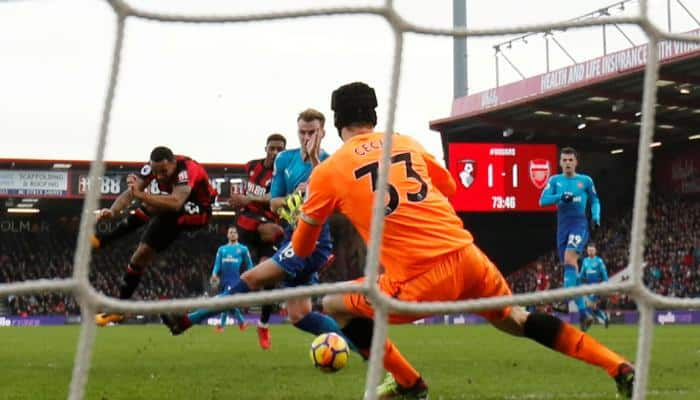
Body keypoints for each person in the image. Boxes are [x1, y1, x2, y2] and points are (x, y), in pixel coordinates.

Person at [290, 82, 634, 399]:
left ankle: (409, 382)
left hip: (418, 279)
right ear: (375, 116)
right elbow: (451, 188)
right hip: (468, 256)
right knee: (516, 319)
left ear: (336, 123)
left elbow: (303, 251)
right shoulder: (405, 142)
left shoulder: (329, 171)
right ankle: (617, 366)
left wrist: (302, 217)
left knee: (334, 303)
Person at [161, 109, 349, 345]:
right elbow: (275, 201)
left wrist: (312, 186)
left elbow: (336, 203)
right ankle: (364, 347)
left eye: (312, 132)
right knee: (299, 315)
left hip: (314, 239)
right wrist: (293, 200)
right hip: (293, 235)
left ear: (322, 132)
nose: (307, 137)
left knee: (250, 277)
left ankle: (188, 320)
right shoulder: (284, 160)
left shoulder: (331, 162)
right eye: (302, 132)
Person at [93, 146, 217, 326]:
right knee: (140, 255)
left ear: (173, 163)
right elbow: (131, 193)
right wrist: (112, 211)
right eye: (156, 172)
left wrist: (142, 195)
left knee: (153, 204)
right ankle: (119, 309)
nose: (159, 176)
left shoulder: (188, 169)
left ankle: (104, 240)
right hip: (175, 212)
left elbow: (176, 203)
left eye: (164, 171)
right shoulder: (153, 169)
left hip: (199, 211)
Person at [228, 133, 287, 348]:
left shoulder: (284, 174)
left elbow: (273, 199)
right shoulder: (251, 166)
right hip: (248, 222)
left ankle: (263, 324)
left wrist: (248, 198)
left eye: (280, 149)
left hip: (268, 226)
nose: (275, 152)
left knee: (269, 277)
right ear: (266, 148)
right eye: (272, 148)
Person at [539, 146, 601, 331]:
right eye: (564, 160)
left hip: (579, 224)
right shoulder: (555, 181)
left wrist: (596, 215)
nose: (567, 163)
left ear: (576, 162)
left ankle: (569, 301)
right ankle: (584, 314)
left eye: (570, 160)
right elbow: (542, 201)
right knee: (570, 269)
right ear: (560, 163)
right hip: (562, 227)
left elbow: (595, 200)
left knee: (569, 259)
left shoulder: (585, 181)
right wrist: (560, 197)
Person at [210, 226, 253, 332]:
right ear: (227, 235)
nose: (233, 234)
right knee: (228, 302)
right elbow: (217, 264)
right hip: (224, 280)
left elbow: (249, 264)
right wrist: (214, 273)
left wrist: (250, 276)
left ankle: (222, 325)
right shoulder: (222, 249)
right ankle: (241, 323)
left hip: (235, 280)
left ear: (237, 235)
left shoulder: (243, 249)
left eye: (234, 232)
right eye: (230, 232)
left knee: (226, 300)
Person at [579, 243, 610, 328]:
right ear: (587, 251)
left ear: (595, 251)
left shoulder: (599, 261)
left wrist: (606, 283)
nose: (590, 252)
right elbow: (582, 274)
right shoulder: (585, 261)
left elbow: (604, 273)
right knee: (593, 308)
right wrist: (577, 279)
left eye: (592, 250)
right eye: (589, 250)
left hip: (597, 286)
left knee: (588, 305)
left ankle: (586, 324)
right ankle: (604, 317)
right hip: (589, 287)